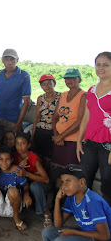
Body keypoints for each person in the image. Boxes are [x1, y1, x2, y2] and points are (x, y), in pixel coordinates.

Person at [42, 164, 111, 241]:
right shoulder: (71, 197)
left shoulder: (92, 202)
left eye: (68, 181)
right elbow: (58, 224)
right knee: (47, 232)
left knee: (61, 240)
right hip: (85, 231)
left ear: (81, 182)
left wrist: (74, 232)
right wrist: (57, 199)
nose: (63, 186)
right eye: (62, 182)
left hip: (98, 238)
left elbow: (105, 236)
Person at [77, 52, 111, 206]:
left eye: (106, 64)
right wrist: (79, 140)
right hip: (90, 142)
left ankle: (106, 222)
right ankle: (87, 214)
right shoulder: (91, 90)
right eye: (98, 64)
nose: (101, 67)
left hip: (108, 145)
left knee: (107, 184)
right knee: (84, 180)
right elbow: (86, 116)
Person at [14, 132, 52, 227]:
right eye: (17, 143)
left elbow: (46, 180)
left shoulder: (34, 158)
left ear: (29, 145)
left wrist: (26, 173)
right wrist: (18, 167)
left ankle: (47, 214)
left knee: (34, 186)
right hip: (26, 186)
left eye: (23, 143)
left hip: (40, 186)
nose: (19, 146)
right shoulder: (15, 156)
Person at [52, 69, 86, 166]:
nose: (69, 81)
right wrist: (56, 136)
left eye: (72, 78)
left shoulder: (83, 96)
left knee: (71, 170)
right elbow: (55, 118)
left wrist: (60, 136)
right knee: (57, 169)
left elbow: (80, 122)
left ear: (79, 80)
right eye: (67, 78)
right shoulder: (63, 95)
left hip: (74, 141)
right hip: (59, 140)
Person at [0, 49, 31, 134]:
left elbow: (26, 102)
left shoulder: (24, 76)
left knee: (12, 144)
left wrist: (18, 124)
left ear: (17, 60)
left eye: (12, 59)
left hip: (13, 120)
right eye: (6, 59)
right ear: (2, 61)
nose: (9, 62)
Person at [31, 74, 61, 161]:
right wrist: (33, 136)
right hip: (40, 131)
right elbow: (37, 117)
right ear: (41, 86)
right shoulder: (40, 98)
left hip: (54, 132)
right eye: (44, 84)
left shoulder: (61, 97)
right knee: (38, 156)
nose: (47, 86)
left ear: (54, 84)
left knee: (50, 158)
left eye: (49, 83)